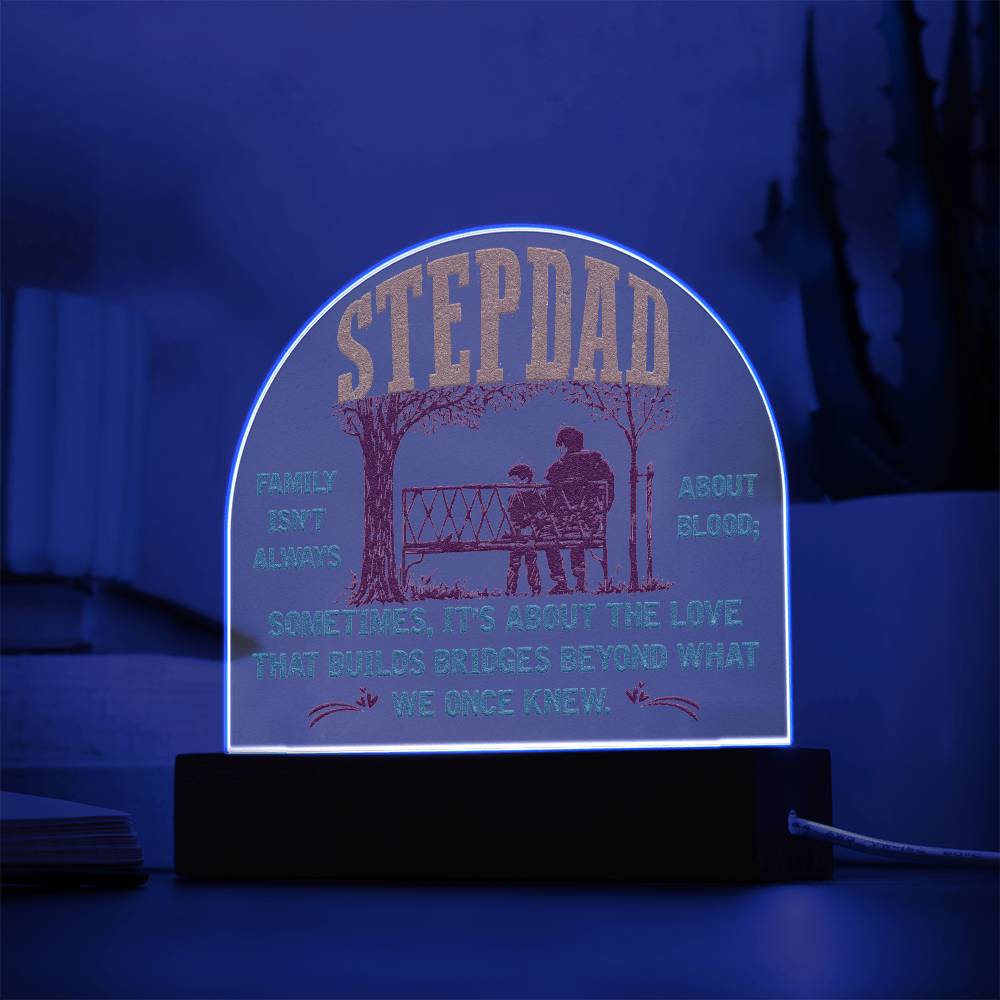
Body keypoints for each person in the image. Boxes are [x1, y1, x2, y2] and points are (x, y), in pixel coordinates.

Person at [544, 427, 615, 592]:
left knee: (548, 536)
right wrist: (601, 510)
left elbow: (551, 494)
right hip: (591, 523)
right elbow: (609, 493)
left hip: (567, 524)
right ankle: (579, 575)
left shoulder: (559, 467)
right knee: (576, 528)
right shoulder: (598, 463)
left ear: (565, 445)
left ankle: (560, 580)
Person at [505, 464, 568, 596]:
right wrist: (522, 527)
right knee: (519, 554)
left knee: (538, 550)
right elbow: (514, 519)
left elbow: (544, 515)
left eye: (516, 480)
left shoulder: (537, 493)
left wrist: (535, 524)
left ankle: (539, 586)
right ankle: (515, 588)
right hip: (523, 533)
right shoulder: (517, 496)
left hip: (538, 531)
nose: (514, 484)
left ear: (525, 478)